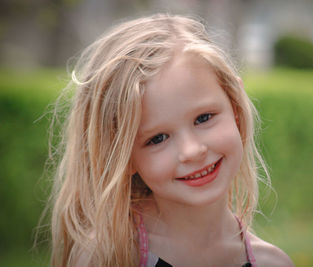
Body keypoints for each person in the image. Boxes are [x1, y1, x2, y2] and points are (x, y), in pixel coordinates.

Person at [48, 14, 294, 267]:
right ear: (123, 156)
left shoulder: (273, 263)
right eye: (157, 138)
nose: (191, 151)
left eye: (203, 118)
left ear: (236, 109)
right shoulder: (107, 258)